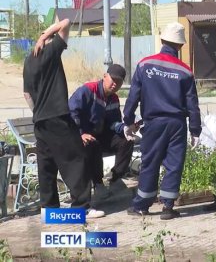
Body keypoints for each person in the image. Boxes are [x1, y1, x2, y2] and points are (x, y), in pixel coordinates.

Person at [23, 19, 104, 218]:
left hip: (40, 120)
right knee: (77, 158)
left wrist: (38, 114)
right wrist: (45, 35)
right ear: (51, 39)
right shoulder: (51, 52)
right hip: (58, 115)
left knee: (47, 163)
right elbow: (66, 23)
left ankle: (48, 208)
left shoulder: (28, 60)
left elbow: (26, 94)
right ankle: (81, 207)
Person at [123, 22, 202, 220]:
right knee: (174, 164)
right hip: (176, 123)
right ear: (180, 46)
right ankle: (167, 207)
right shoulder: (185, 71)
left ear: (162, 40)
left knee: (150, 162)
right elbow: (192, 103)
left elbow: (133, 96)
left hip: (153, 122)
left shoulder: (144, 64)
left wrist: (128, 120)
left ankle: (142, 205)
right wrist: (195, 130)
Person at [68, 64, 136, 200]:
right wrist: (80, 133)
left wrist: (125, 128)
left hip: (101, 136)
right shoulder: (88, 90)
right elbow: (71, 112)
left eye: (119, 82)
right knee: (93, 144)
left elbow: (113, 122)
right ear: (105, 77)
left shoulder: (114, 98)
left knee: (126, 140)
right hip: (80, 137)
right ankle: (98, 184)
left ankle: (116, 179)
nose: (114, 84)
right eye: (113, 80)